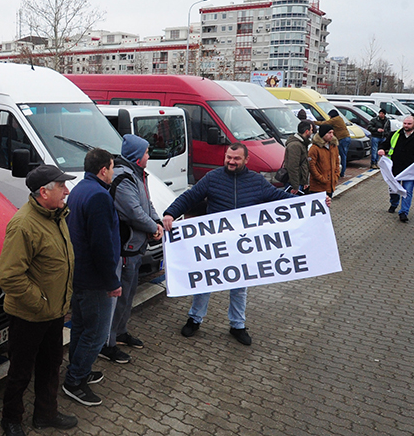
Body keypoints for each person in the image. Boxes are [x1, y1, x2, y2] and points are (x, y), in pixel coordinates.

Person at [162, 144, 303, 346]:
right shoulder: (213, 177)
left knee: (239, 286)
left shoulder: (257, 181)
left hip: (242, 246)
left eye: (236, 158)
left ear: (246, 160)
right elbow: (190, 197)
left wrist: (312, 202)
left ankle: (237, 325)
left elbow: (280, 198)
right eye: (228, 157)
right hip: (214, 244)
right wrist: (170, 213)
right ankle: (195, 319)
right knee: (205, 281)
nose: (231, 161)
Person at [0, 164, 78, 436]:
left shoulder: (57, 216)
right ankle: (11, 419)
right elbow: (8, 275)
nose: (67, 191)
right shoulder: (23, 224)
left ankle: (45, 414)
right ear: (44, 192)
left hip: (53, 313)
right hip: (30, 315)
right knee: (21, 371)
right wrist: (40, 301)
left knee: (51, 364)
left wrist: (57, 304)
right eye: (61, 186)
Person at [62, 149, 121, 407]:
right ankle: (74, 381)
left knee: (82, 327)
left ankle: (80, 369)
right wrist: (112, 281)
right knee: (96, 334)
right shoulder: (99, 196)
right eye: (112, 167)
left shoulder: (79, 189)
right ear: (103, 170)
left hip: (79, 275)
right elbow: (101, 244)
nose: (113, 172)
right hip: (95, 279)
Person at [101, 135, 164, 364]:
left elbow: (147, 205)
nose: (149, 156)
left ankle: (120, 332)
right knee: (118, 297)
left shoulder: (137, 175)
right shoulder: (123, 177)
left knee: (128, 295)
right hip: (126, 247)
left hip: (137, 245)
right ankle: (107, 343)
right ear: (138, 158)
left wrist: (155, 220)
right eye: (147, 152)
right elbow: (133, 211)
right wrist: (153, 226)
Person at [378, 115, 414, 223]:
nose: (406, 126)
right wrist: (381, 149)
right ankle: (394, 203)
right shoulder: (395, 134)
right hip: (395, 168)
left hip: (411, 169)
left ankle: (403, 212)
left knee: (407, 191)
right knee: (394, 190)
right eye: (405, 123)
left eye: (409, 124)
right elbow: (384, 144)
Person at [307, 124, 340, 197]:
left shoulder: (333, 146)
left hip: (330, 185)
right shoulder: (315, 148)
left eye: (332, 133)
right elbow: (311, 165)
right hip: (318, 188)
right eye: (329, 133)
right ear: (323, 134)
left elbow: (337, 161)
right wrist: (320, 178)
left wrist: (336, 175)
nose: (332, 135)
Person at [283, 120, 313, 193]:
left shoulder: (302, 143)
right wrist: (295, 186)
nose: (312, 132)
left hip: (300, 182)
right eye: (311, 130)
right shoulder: (295, 145)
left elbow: (304, 163)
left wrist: (305, 182)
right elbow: (293, 167)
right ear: (307, 131)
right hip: (294, 184)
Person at [326, 110, 351, 177]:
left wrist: (313, 122)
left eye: (330, 116)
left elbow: (325, 123)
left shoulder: (335, 119)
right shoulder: (340, 118)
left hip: (342, 139)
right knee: (344, 155)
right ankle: (342, 172)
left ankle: (341, 173)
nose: (329, 117)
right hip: (347, 138)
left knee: (342, 156)